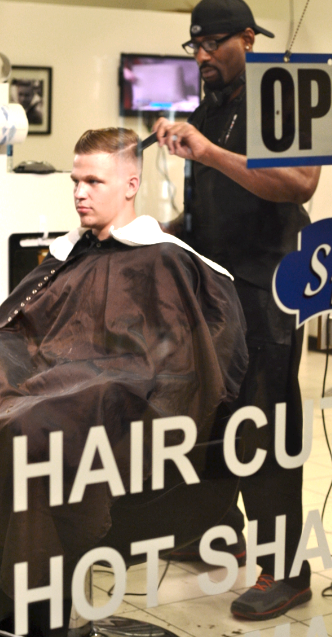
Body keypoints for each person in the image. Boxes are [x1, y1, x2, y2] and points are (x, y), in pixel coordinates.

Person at [0, 127, 248, 636]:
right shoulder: (72, 253)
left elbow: (178, 366)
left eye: (94, 181)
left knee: (33, 428)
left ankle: (34, 614)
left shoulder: (165, 259)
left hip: (118, 398)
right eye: (75, 181)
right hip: (58, 382)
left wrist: (85, 376)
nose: (79, 193)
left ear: (131, 184)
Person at [153, 0, 321, 621]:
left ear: (247, 39)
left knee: (267, 431)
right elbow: (216, 204)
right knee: (216, 419)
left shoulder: (281, 100)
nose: (201, 56)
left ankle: (289, 572)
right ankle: (216, 527)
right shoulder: (210, 108)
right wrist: (161, 230)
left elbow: (300, 181)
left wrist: (207, 154)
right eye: (193, 45)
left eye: (212, 44)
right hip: (216, 291)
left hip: (267, 289)